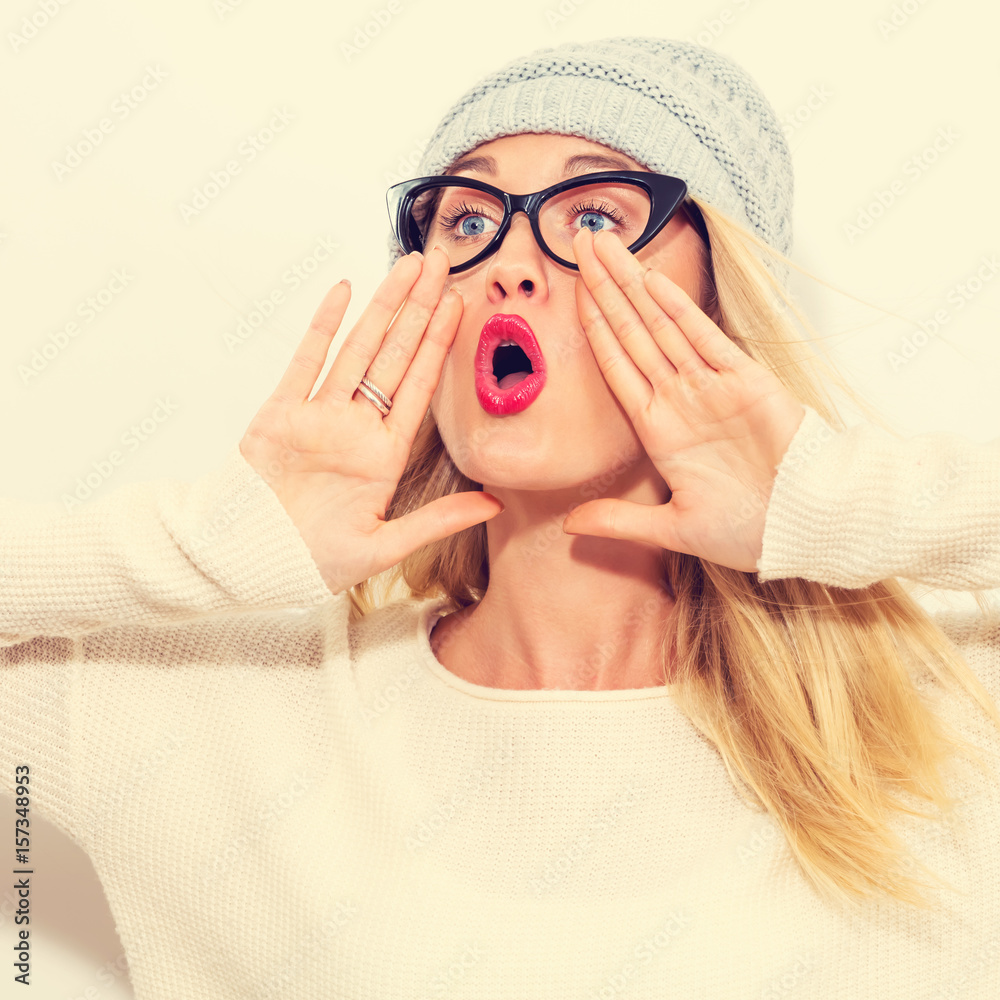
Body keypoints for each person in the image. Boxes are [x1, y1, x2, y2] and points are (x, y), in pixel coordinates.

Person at [2, 35, 999, 1000]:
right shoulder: (200, 708)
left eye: (597, 219)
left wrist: (833, 502)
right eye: (467, 223)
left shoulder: (950, 717)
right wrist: (205, 554)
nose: (507, 266)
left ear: (721, 307)